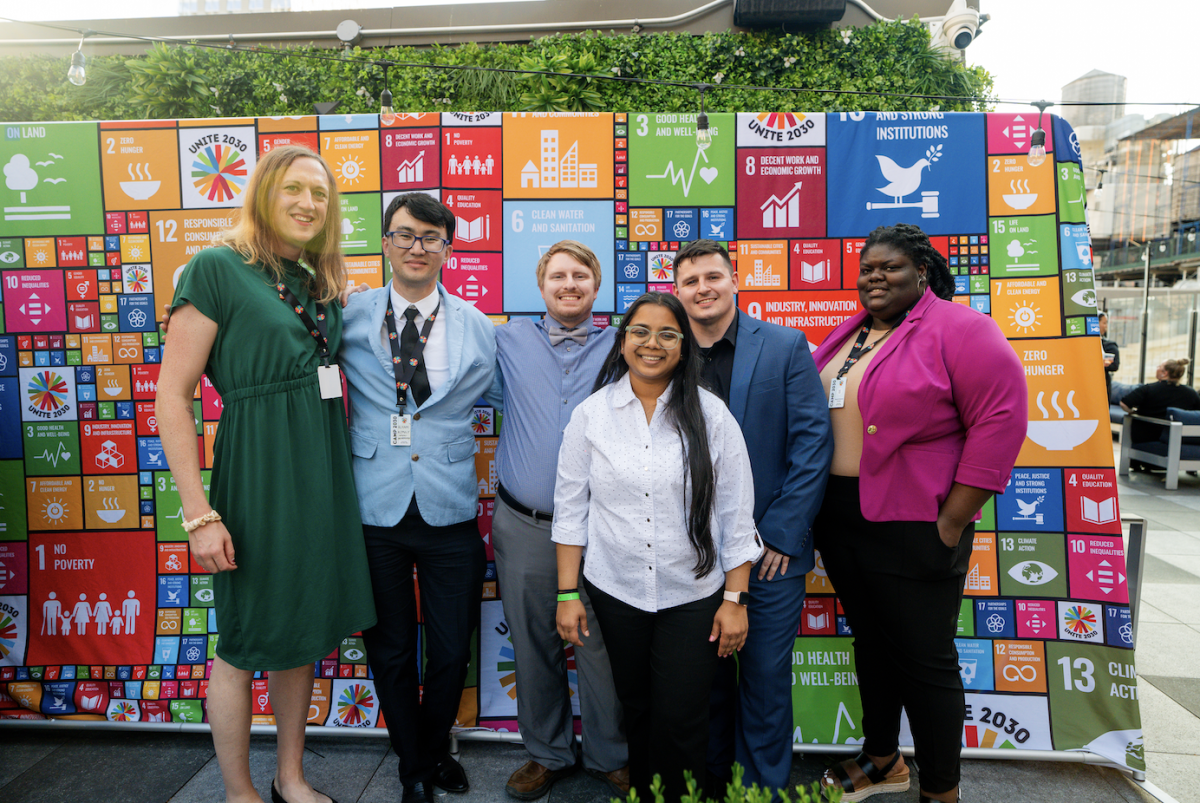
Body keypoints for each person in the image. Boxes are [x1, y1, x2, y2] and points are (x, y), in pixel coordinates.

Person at [157, 144, 376, 803]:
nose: (310, 203)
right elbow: (173, 393)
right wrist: (198, 512)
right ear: (261, 193)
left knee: (300, 628)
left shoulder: (313, 280)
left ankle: (290, 777)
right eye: (294, 189)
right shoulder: (216, 267)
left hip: (322, 473)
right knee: (245, 636)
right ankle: (237, 790)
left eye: (321, 193)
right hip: (260, 476)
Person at [810, 223, 1027, 803]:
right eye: (867, 269)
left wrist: (953, 521)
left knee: (926, 662)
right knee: (872, 645)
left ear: (922, 271)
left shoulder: (962, 330)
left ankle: (941, 790)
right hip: (842, 515)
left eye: (890, 268)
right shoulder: (850, 334)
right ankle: (883, 759)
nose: (875, 278)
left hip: (917, 521)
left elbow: (1000, 423)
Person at [553, 292, 764, 803]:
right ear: (623, 340)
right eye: (641, 332)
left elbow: (736, 515)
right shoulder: (591, 415)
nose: (653, 343)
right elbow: (570, 509)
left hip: (692, 594)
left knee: (683, 717)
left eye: (668, 334)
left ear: (683, 346)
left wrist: (735, 601)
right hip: (616, 589)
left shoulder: (711, 416)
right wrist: (566, 594)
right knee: (638, 710)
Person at [338, 192, 497, 803]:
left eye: (430, 238)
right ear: (385, 242)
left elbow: (522, 405)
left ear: (447, 249)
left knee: (453, 648)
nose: (416, 247)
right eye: (404, 235)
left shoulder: (479, 328)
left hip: (450, 506)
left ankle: (431, 750)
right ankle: (414, 770)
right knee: (392, 648)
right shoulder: (348, 317)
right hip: (373, 508)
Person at [671, 239, 832, 796]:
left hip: (768, 555)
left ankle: (763, 788)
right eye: (690, 282)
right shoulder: (665, 351)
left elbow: (813, 444)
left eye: (713, 277)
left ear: (735, 279)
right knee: (703, 683)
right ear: (677, 291)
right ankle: (714, 781)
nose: (703, 289)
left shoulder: (785, 346)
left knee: (764, 680)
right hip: (687, 556)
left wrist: (784, 535)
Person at [490, 241, 629, 800]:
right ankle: (546, 753)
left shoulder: (625, 343)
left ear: (597, 286)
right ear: (540, 285)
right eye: (557, 276)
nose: (569, 284)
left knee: (599, 644)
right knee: (531, 641)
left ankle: (610, 755)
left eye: (580, 276)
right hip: (523, 523)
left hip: (603, 526)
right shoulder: (503, 337)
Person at [1121, 358, 1200, 445]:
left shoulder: (1149, 389)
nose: (1157, 368)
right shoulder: (1191, 393)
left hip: (1147, 438)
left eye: (1159, 366)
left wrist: (1134, 412)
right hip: (1179, 440)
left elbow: (1124, 403)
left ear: (1164, 373)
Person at [1099, 312, 1120, 397]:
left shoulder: (1110, 345)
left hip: (1103, 386)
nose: (1106, 326)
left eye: (1106, 323)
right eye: (1104, 323)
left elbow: (1114, 365)